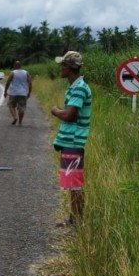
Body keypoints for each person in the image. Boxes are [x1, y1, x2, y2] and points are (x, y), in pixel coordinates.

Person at [51, 51, 92, 227]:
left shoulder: (79, 88)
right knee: (72, 183)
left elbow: (69, 115)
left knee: (75, 184)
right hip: (70, 141)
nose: (60, 68)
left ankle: (76, 222)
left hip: (74, 141)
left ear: (70, 67)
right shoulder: (75, 86)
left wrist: (55, 111)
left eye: (63, 65)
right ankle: (73, 219)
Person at [3, 60, 32, 126]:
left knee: (11, 105)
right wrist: (29, 92)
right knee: (21, 108)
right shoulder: (26, 73)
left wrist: (5, 92)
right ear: (21, 66)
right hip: (23, 93)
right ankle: (20, 122)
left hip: (13, 93)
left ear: (14, 66)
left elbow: (8, 83)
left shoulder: (12, 73)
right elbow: (30, 83)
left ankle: (15, 117)